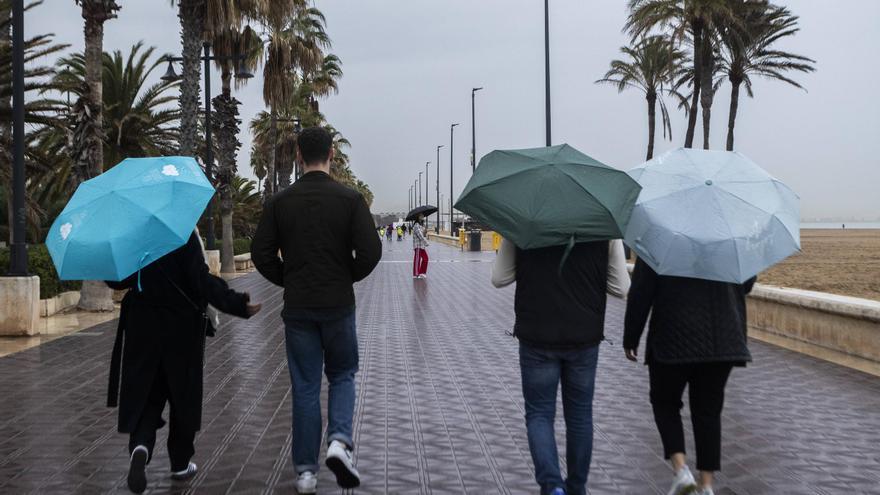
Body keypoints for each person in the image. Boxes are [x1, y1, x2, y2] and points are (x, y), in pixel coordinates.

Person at [251, 126, 382, 494]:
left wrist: (287, 278)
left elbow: (261, 253)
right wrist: (346, 276)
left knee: (305, 387)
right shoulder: (350, 199)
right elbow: (371, 252)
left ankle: (306, 472)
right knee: (342, 374)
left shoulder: (280, 202)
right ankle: (339, 441)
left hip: (299, 309)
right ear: (332, 155)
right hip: (338, 305)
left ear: (298, 157)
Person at [106, 231, 261, 494]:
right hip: (181, 328)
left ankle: (141, 446)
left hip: (142, 327)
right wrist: (236, 303)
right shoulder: (181, 234)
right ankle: (179, 463)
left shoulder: (133, 235)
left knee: (148, 393)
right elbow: (199, 281)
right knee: (182, 394)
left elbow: (116, 281)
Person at [491, 237, 630, 495]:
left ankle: (553, 485)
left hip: (537, 335)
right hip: (584, 336)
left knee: (539, 415)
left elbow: (499, 278)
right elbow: (621, 287)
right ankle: (577, 488)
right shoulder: (603, 223)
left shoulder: (524, 219)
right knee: (580, 416)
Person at [623, 259, 756, 495]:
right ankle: (706, 485)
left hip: (672, 336)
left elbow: (642, 290)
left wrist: (631, 337)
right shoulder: (726, 235)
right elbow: (746, 283)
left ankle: (681, 470)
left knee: (665, 403)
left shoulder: (659, 235)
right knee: (708, 412)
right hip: (721, 339)